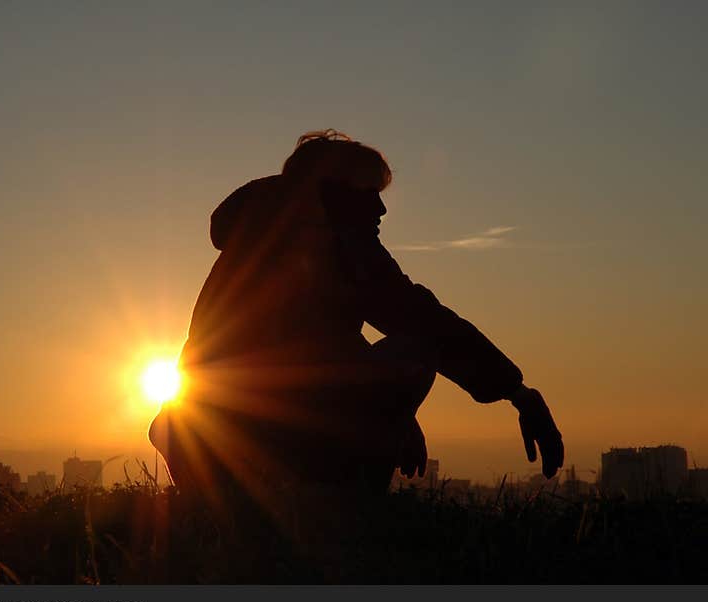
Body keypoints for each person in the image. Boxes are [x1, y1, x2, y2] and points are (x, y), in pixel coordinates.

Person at [150, 130, 563, 503]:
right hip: (263, 441)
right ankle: (347, 504)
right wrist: (517, 391)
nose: (381, 209)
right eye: (370, 192)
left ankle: (235, 498)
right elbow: (421, 320)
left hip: (199, 441)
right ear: (333, 192)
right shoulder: (336, 241)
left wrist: (399, 415)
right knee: (415, 350)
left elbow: (306, 344)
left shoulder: (258, 239)